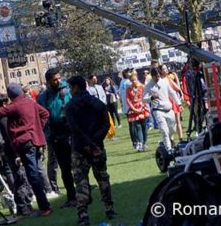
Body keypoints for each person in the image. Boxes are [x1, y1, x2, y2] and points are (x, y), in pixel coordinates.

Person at [0, 82, 52, 216]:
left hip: (25, 143)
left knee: (33, 176)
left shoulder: (14, 106)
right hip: (35, 141)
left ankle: (45, 207)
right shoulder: (30, 102)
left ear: (10, 96)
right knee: (35, 172)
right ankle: (43, 204)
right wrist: (37, 129)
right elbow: (45, 114)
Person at [63, 76, 116, 226]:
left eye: (70, 87)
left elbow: (75, 129)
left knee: (81, 182)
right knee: (103, 178)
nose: (69, 90)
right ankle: (109, 208)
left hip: (79, 148)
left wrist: (87, 143)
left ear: (75, 87)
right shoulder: (98, 103)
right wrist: (95, 142)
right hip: (97, 147)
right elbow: (106, 124)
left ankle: (83, 214)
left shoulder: (70, 107)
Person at [37, 68, 76, 207]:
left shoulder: (68, 91)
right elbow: (40, 116)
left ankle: (84, 192)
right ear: (48, 81)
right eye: (55, 79)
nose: (58, 81)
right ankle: (72, 197)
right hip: (55, 137)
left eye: (59, 78)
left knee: (77, 165)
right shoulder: (43, 97)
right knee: (65, 169)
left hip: (71, 133)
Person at [142, 66, 180, 150]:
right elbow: (143, 99)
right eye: (156, 76)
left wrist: (179, 103)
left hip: (168, 109)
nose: (157, 78)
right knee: (164, 130)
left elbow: (172, 93)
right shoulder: (148, 86)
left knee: (173, 129)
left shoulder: (165, 82)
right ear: (152, 76)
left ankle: (164, 141)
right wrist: (151, 98)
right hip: (158, 110)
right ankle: (169, 149)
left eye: (159, 75)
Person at [124, 70, 148, 151]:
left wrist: (142, 106)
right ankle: (140, 143)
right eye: (132, 80)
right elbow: (127, 99)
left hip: (142, 107)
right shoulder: (128, 89)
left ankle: (145, 142)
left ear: (137, 78)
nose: (134, 81)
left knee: (144, 126)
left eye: (135, 79)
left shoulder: (142, 86)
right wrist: (133, 108)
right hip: (134, 109)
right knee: (137, 126)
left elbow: (145, 96)